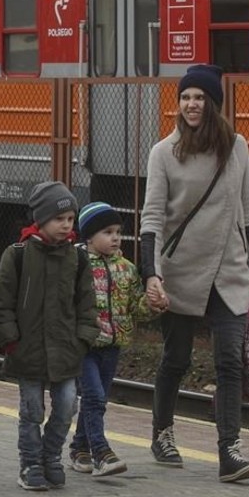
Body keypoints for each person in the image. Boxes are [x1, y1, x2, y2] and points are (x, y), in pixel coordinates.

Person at [140, 64, 249, 483]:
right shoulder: (164, 152)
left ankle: (230, 450)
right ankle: (162, 432)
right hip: (181, 272)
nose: (192, 105)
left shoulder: (238, 147)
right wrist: (151, 274)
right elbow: (152, 219)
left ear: (214, 104)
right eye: (186, 97)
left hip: (229, 272)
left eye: (200, 98)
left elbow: (247, 214)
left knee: (230, 362)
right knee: (176, 359)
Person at [0, 181, 99, 491]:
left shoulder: (78, 258)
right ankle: (31, 463)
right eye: (59, 219)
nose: (66, 226)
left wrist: (82, 341)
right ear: (41, 219)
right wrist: (12, 341)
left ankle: (51, 457)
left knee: (66, 407)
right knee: (32, 410)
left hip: (65, 351)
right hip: (28, 350)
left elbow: (87, 304)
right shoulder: (18, 254)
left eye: (70, 220)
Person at [68, 202, 162, 477]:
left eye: (118, 232)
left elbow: (136, 306)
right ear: (89, 236)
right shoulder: (76, 264)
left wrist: (153, 304)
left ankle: (78, 448)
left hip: (113, 346)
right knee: (95, 397)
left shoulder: (127, 268)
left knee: (96, 400)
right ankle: (101, 452)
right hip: (84, 345)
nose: (116, 237)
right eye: (107, 232)